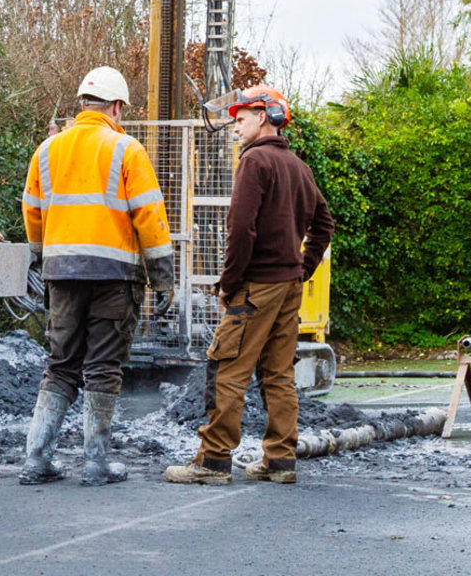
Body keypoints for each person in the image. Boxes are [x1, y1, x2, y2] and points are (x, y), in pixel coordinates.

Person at [164, 84, 334, 485]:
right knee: (278, 376)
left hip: (255, 288)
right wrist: (300, 269)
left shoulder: (255, 163)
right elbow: (325, 225)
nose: (234, 128)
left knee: (227, 368)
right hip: (288, 289)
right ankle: (280, 460)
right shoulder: (300, 168)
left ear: (264, 116)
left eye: (240, 120)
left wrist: (229, 283)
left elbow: (240, 229)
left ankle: (213, 460)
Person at [17, 66, 175, 486]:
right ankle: (95, 462)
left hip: (62, 273)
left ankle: (36, 458)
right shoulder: (126, 149)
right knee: (103, 365)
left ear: (82, 104)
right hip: (113, 275)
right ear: (117, 108)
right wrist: (162, 277)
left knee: (61, 364)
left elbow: (32, 212)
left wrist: (39, 257)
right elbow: (150, 217)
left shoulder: (47, 150)